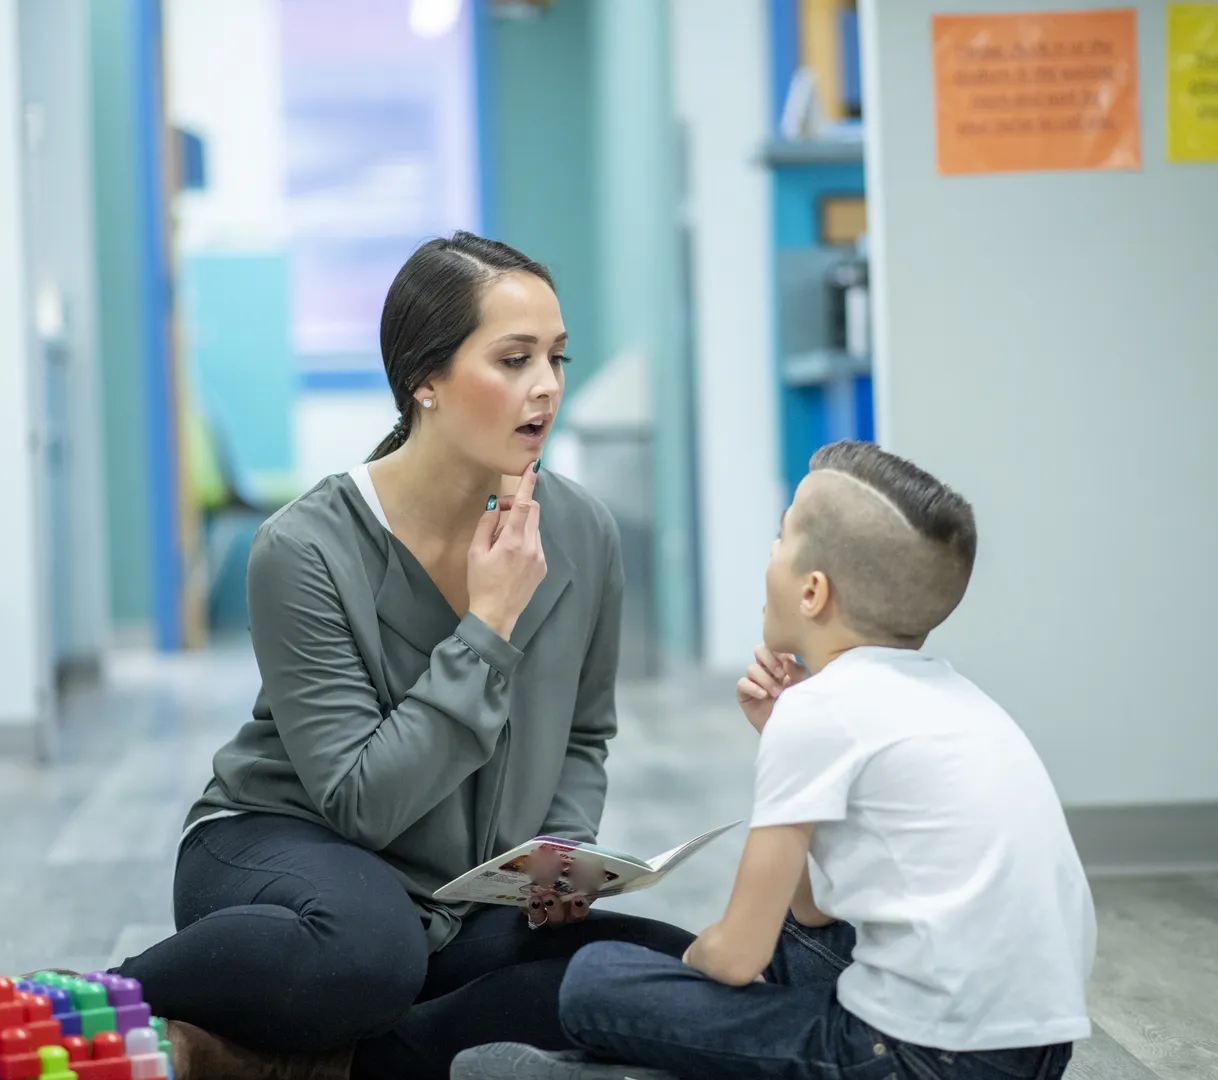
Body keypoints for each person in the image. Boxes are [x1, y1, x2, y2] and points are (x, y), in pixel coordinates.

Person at [98, 233, 693, 1080]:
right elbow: (362, 804)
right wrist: (488, 621)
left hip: (456, 898)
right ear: (425, 380)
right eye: (514, 359)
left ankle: (294, 1062)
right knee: (367, 956)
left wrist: (561, 860)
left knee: (660, 967)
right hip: (291, 849)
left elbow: (584, 736)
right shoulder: (303, 548)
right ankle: (83, 1001)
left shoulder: (583, 532)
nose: (548, 387)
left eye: (556, 358)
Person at [452, 441, 1096, 1080]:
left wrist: (684, 1003)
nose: (769, 550)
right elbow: (815, 917)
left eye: (782, 536)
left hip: (921, 1057)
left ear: (813, 592)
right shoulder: (952, 696)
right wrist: (780, 734)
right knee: (786, 942)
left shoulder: (824, 714)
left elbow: (736, 957)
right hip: (1033, 1053)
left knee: (595, 981)